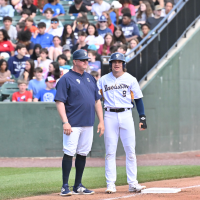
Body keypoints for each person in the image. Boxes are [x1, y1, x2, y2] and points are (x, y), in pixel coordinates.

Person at [54, 49, 104, 196]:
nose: (85, 62)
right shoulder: (66, 78)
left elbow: (97, 101)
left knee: (82, 153)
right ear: (75, 61)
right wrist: (65, 122)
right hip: (73, 123)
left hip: (88, 122)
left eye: (87, 60)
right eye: (82, 60)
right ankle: (64, 186)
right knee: (69, 152)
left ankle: (78, 185)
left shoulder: (90, 78)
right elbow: (59, 102)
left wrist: (101, 121)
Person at [97, 52, 147, 194]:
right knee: (110, 152)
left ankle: (132, 183)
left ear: (123, 63)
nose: (116, 64)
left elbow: (138, 99)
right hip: (109, 115)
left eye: (119, 61)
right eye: (114, 61)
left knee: (130, 151)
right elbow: (96, 99)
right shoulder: (103, 80)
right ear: (110, 64)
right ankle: (110, 184)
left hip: (126, 114)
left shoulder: (131, 79)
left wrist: (142, 117)